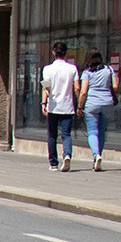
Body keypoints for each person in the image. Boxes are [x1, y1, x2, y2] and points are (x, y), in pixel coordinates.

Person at [41, 42, 83, 171]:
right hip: (67, 106)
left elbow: (45, 87)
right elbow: (77, 87)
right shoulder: (72, 68)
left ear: (53, 52)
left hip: (53, 106)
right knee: (66, 134)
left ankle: (53, 163)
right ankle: (67, 155)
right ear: (66, 53)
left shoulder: (48, 69)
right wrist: (79, 104)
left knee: (52, 135)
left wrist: (43, 103)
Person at [79, 50, 119, 172]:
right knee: (101, 132)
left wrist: (79, 107)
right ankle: (98, 155)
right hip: (107, 103)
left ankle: (96, 155)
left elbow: (83, 91)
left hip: (92, 104)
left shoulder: (87, 72)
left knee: (92, 131)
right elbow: (116, 86)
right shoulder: (109, 69)